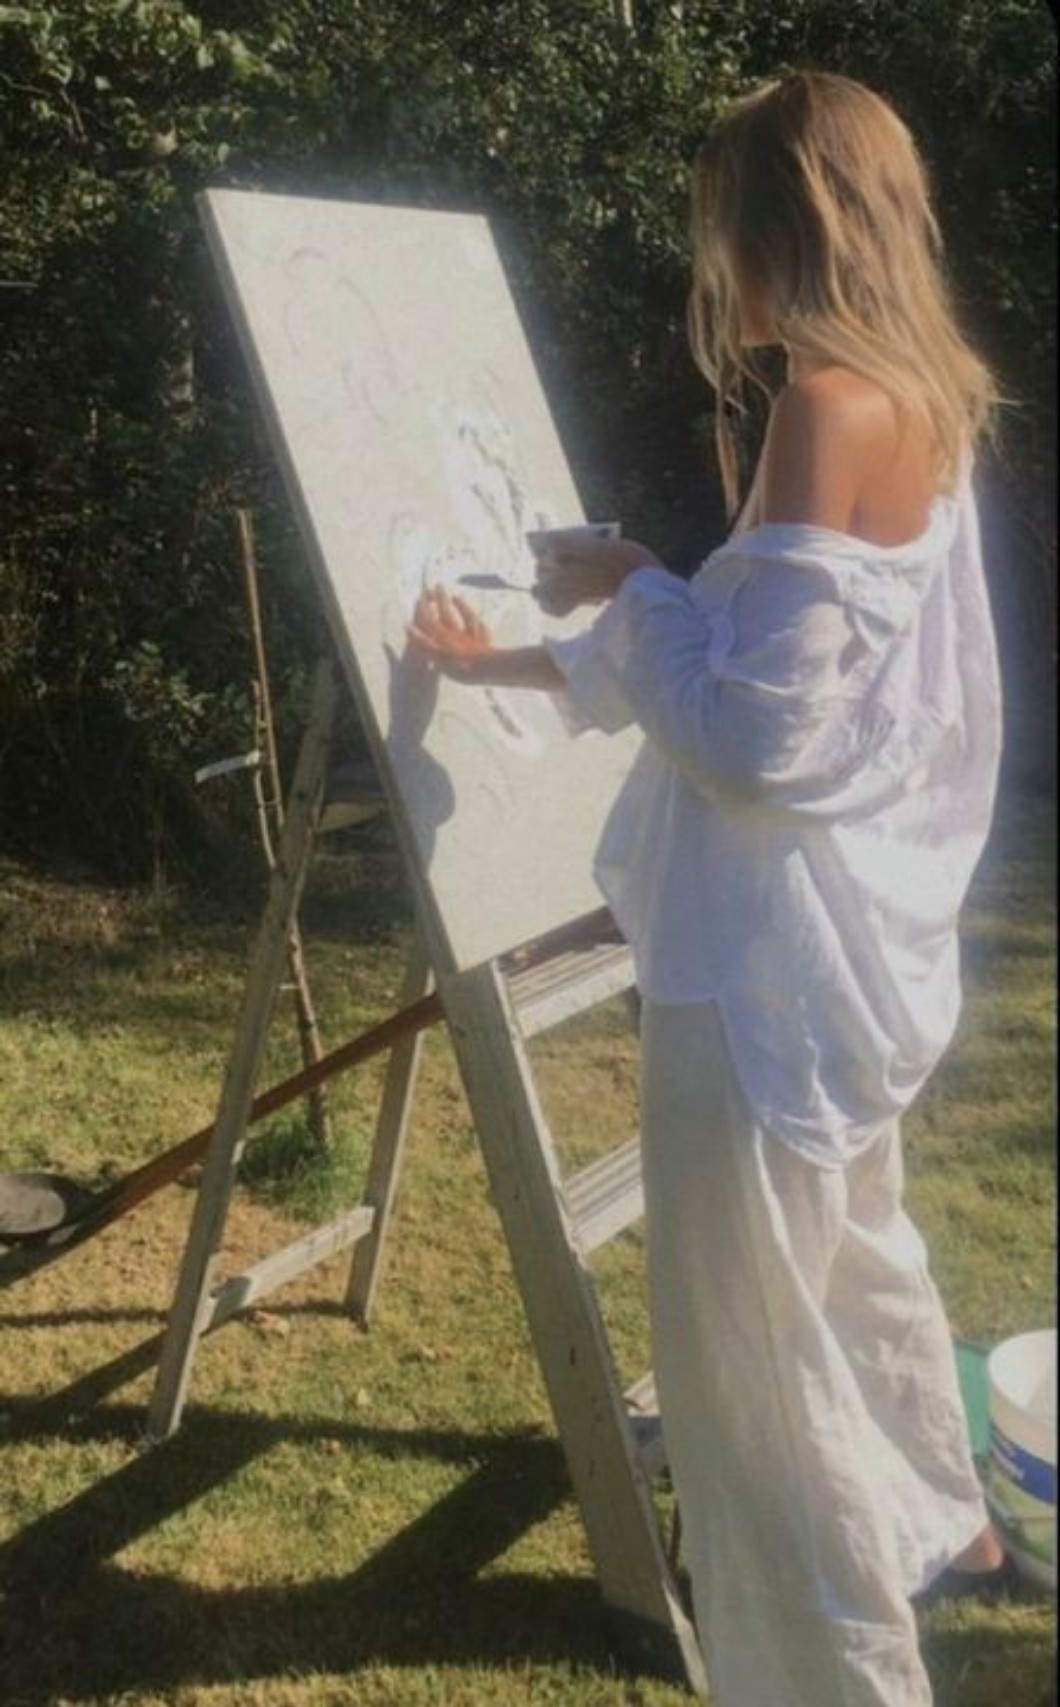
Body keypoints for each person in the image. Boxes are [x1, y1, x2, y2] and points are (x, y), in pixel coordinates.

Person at [406, 68, 1008, 1707]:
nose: (709, 265)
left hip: (765, 974)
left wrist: (632, 580)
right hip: (844, 961)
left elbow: (748, 733)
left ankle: (831, 1678)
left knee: (752, 1375)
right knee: (856, 1262)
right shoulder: (923, 397)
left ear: (776, 225)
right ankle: (948, 1523)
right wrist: (514, 653)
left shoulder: (828, 407)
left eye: (716, 227)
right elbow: (759, 665)